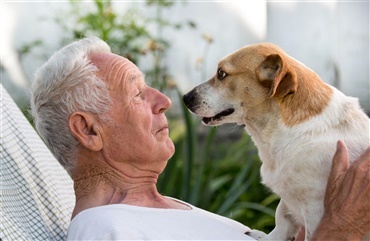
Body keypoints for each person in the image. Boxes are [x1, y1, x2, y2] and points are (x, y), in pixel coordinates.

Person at [30, 36, 370, 240]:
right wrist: (340, 230)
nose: (164, 101)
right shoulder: (105, 227)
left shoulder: (167, 215)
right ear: (88, 130)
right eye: (137, 94)